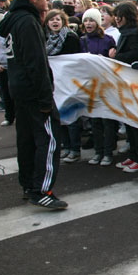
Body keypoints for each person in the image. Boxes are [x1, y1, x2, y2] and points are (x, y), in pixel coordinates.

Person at [0, 0, 67, 209]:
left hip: (19, 89)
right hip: (34, 93)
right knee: (48, 140)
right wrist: (46, 98)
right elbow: (35, 63)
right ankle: (42, 190)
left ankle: (28, 185)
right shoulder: (27, 22)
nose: (47, 0)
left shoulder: (13, 19)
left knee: (26, 140)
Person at [110, 1, 138, 172]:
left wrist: (117, 55)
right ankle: (133, 155)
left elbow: (135, 55)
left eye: (119, 16)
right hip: (126, 82)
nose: (116, 19)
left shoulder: (131, 34)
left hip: (133, 83)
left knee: (134, 123)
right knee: (129, 122)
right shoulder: (126, 32)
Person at [79, 9, 117, 166]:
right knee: (95, 121)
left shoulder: (108, 40)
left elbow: (114, 62)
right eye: (86, 20)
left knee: (107, 120)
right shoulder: (82, 40)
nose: (88, 23)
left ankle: (108, 152)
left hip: (106, 85)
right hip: (90, 85)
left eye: (91, 20)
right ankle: (98, 151)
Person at [44, 9, 82, 163]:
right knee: (58, 115)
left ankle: (75, 149)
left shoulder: (70, 37)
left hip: (68, 82)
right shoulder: (45, 38)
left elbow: (74, 60)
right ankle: (65, 146)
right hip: (53, 82)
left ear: (63, 21)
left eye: (58, 19)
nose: (55, 22)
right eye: (51, 19)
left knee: (71, 116)